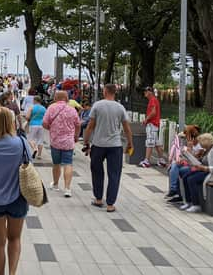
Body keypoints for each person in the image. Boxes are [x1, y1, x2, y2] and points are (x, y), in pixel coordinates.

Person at [0, 107, 32, 275]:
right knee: (15, 238)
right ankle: (12, 273)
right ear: (11, 122)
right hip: (18, 196)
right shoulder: (21, 142)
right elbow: (29, 160)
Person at [83, 83, 132, 213]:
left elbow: (90, 126)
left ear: (105, 91)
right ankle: (110, 204)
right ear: (114, 92)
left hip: (98, 144)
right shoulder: (120, 108)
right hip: (115, 146)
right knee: (114, 174)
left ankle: (98, 199)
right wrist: (130, 143)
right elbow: (127, 128)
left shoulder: (97, 106)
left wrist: (86, 142)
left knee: (97, 172)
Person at [42, 91, 81, 197]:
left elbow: (44, 123)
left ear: (55, 98)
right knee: (68, 164)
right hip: (68, 141)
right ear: (66, 98)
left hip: (55, 141)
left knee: (56, 163)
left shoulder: (51, 108)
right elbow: (78, 124)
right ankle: (67, 188)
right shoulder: (72, 109)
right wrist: (76, 136)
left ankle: (55, 184)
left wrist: (51, 129)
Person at [180, 133, 213, 213]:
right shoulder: (207, 150)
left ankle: (196, 204)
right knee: (185, 177)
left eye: (201, 142)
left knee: (192, 179)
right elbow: (203, 161)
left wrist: (204, 168)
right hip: (205, 170)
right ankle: (188, 201)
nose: (200, 144)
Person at [166, 125, 200, 202]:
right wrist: (182, 159)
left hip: (196, 166)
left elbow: (197, 160)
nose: (185, 137)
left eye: (187, 135)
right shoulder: (189, 143)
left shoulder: (199, 144)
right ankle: (175, 190)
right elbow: (184, 155)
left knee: (178, 169)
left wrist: (190, 150)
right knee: (174, 166)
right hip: (188, 163)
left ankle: (175, 190)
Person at [139, 87, 166, 168]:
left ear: (150, 92)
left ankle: (147, 161)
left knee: (150, 142)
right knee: (157, 143)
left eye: (146, 91)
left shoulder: (153, 100)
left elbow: (153, 112)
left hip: (152, 124)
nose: (144, 93)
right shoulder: (153, 100)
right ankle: (161, 160)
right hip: (154, 124)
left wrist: (146, 120)